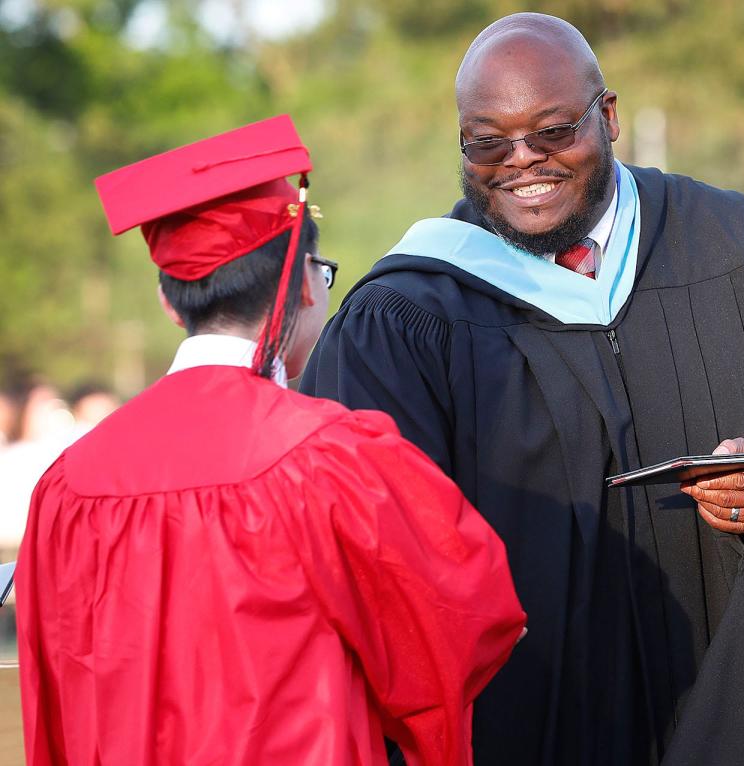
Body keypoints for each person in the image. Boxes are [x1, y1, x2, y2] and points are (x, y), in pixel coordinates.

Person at [300, 14, 744, 766]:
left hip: (726, 697)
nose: (522, 163)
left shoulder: (738, 245)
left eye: (552, 133)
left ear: (608, 116)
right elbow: (353, 524)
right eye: (488, 142)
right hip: (525, 719)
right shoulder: (409, 315)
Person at [15, 116, 525, 766]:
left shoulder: (69, 483)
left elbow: (52, 691)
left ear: (170, 303)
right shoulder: (335, 456)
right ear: (305, 282)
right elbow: (460, 628)